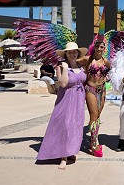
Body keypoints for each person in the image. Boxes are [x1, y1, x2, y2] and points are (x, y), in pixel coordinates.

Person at [36, 42, 88, 170]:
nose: (72, 53)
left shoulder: (82, 67)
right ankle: (63, 157)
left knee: (75, 126)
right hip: (66, 100)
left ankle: (71, 151)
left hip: (79, 100)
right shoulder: (60, 67)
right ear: (65, 54)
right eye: (69, 52)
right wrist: (65, 69)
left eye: (74, 51)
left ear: (78, 53)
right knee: (64, 126)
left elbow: (85, 82)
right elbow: (63, 84)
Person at [78, 39, 111, 157]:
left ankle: (94, 136)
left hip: (102, 91)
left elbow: (111, 72)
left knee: (98, 116)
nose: (99, 48)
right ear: (94, 47)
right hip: (90, 90)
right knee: (93, 115)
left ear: (104, 49)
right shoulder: (87, 59)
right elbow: (73, 61)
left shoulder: (106, 62)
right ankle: (94, 143)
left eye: (101, 47)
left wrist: (108, 78)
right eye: (97, 46)